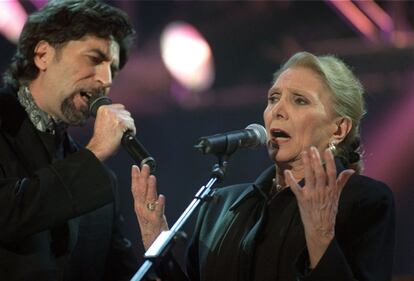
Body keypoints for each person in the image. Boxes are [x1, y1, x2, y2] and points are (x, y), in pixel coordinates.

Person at [132, 51, 395, 281]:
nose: (278, 110)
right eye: (273, 98)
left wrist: (321, 235)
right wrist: (158, 243)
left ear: (339, 128)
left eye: (299, 100)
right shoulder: (220, 206)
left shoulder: (361, 200)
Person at [0, 0, 139, 280]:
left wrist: (156, 242)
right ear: (43, 55)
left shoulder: (101, 178)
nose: (107, 79)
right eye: (94, 59)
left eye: (112, 67)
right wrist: (96, 151)